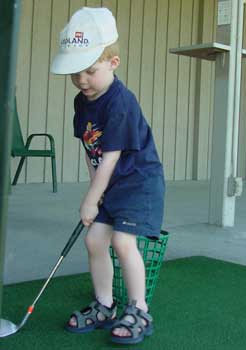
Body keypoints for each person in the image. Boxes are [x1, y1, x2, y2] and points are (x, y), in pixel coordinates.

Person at [51, 7, 165, 345]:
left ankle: (140, 309)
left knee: (121, 241)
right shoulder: (81, 102)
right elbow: (93, 152)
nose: (82, 80)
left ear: (112, 63)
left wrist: (90, 199)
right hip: (109, 180)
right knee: (94, 240)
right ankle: (105, 305)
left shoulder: (120, 103)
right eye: (75, 73)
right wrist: (95, 191)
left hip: (137, 182)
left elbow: (112, 155)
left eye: (89, 71)